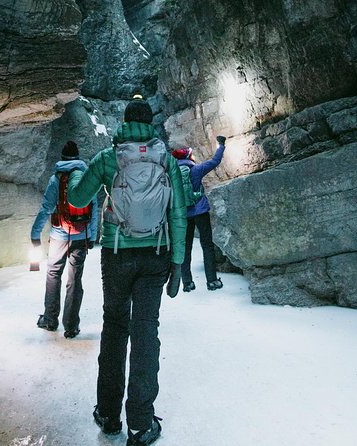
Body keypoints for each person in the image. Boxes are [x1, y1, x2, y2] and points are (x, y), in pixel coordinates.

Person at [66, 96, 186, 446]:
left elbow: (77, 199)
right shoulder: (166, 161)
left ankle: (108, 415)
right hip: (156, 257)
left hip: (118, 255)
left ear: (125, 122)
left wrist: (77, 173)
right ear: (150, 124)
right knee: (146, 333)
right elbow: (177, 213)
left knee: (115, 328)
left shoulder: (108, 158)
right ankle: (141, 424)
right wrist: (177, 263)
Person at [30, 141, 99, 339]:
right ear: (78, 158)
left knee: (53, 274)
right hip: (81, 235)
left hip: (59, 235)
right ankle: (71, 326)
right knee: (75, 279)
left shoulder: (56, 179)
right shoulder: (87, 178)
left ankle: (50, 320)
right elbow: (93, 208)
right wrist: (92, 236)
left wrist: (35, 234)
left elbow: (46, 209)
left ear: (62, 158)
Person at [171, 135, 226, 292]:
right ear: (189, 156)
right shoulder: (195, 170)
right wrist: (221, 145)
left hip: (183, 215)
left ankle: (187, 283)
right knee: (207, 245)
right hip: (200, 211)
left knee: (185, 248)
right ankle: (212, 281)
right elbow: (215, 161)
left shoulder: (171, 175)